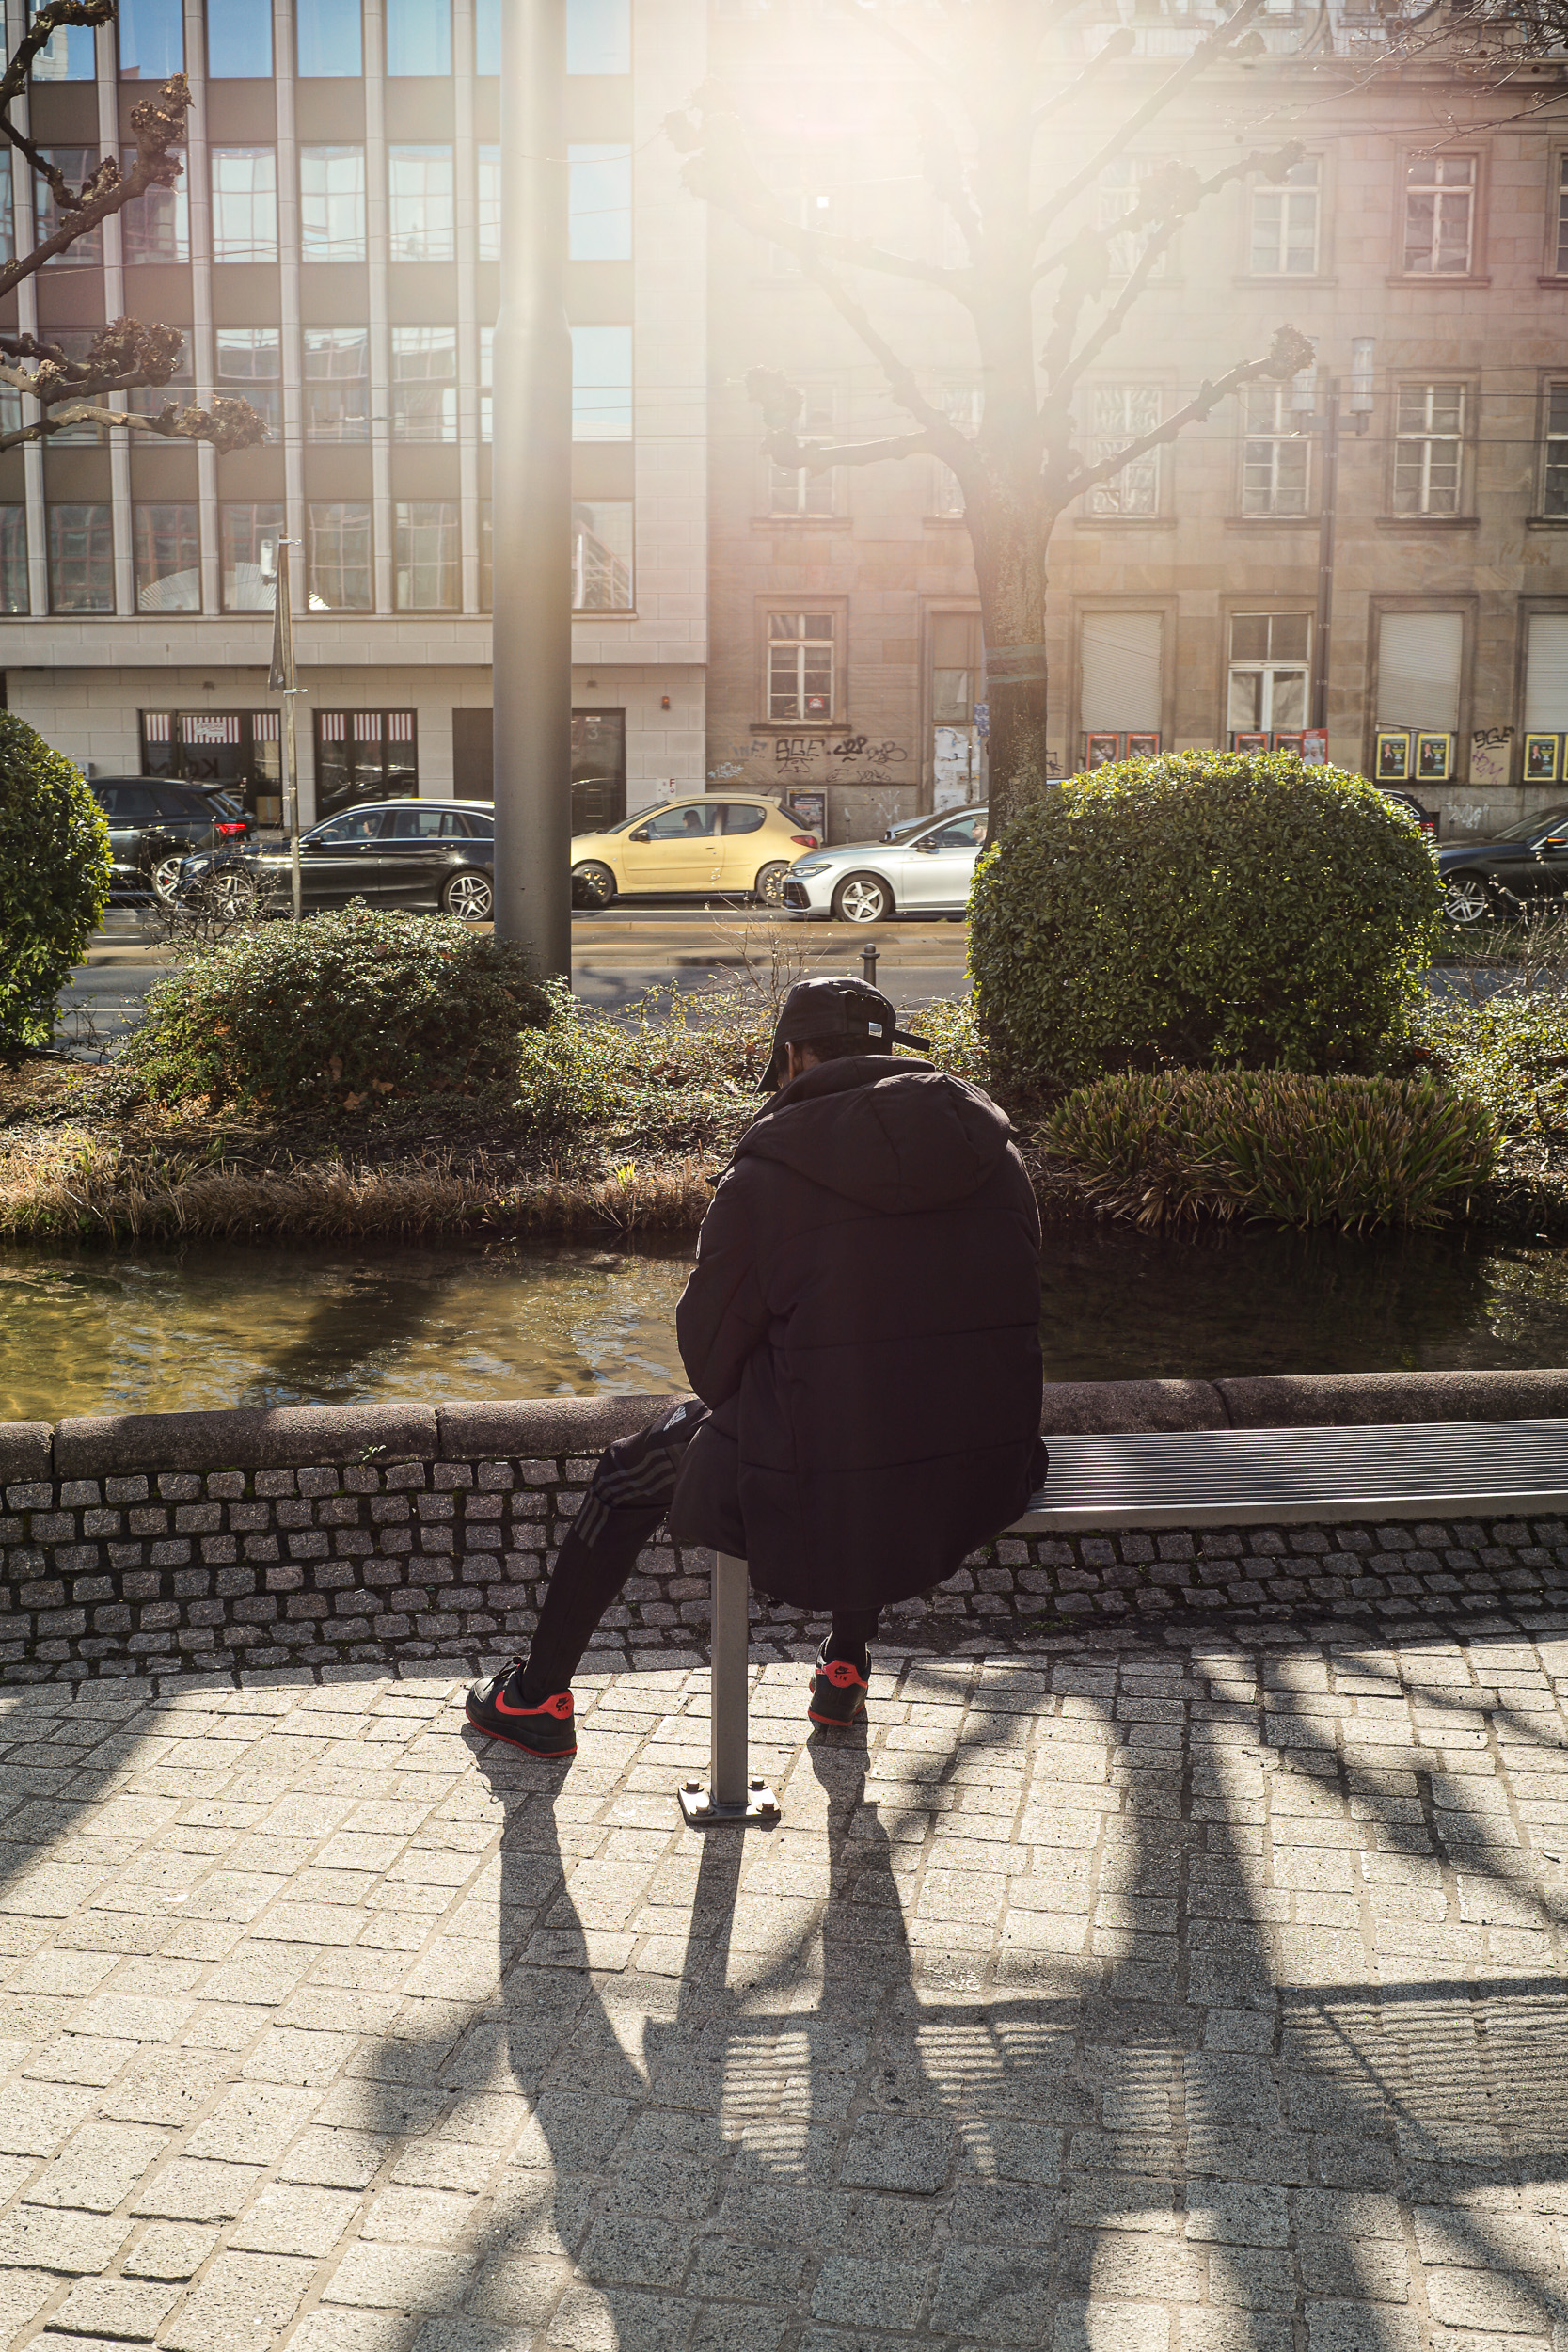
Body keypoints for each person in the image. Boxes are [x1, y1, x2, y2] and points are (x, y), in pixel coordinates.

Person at [466, 975, 1046, 1757]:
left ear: (793, 1056)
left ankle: (535, 1698)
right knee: (877, 1392)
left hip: (836, 1464)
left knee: (629, 1472)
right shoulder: (995, 1154)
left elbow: (710, 1361)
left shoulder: (769, 1171)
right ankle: (845, 1666)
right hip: (985, 1457)